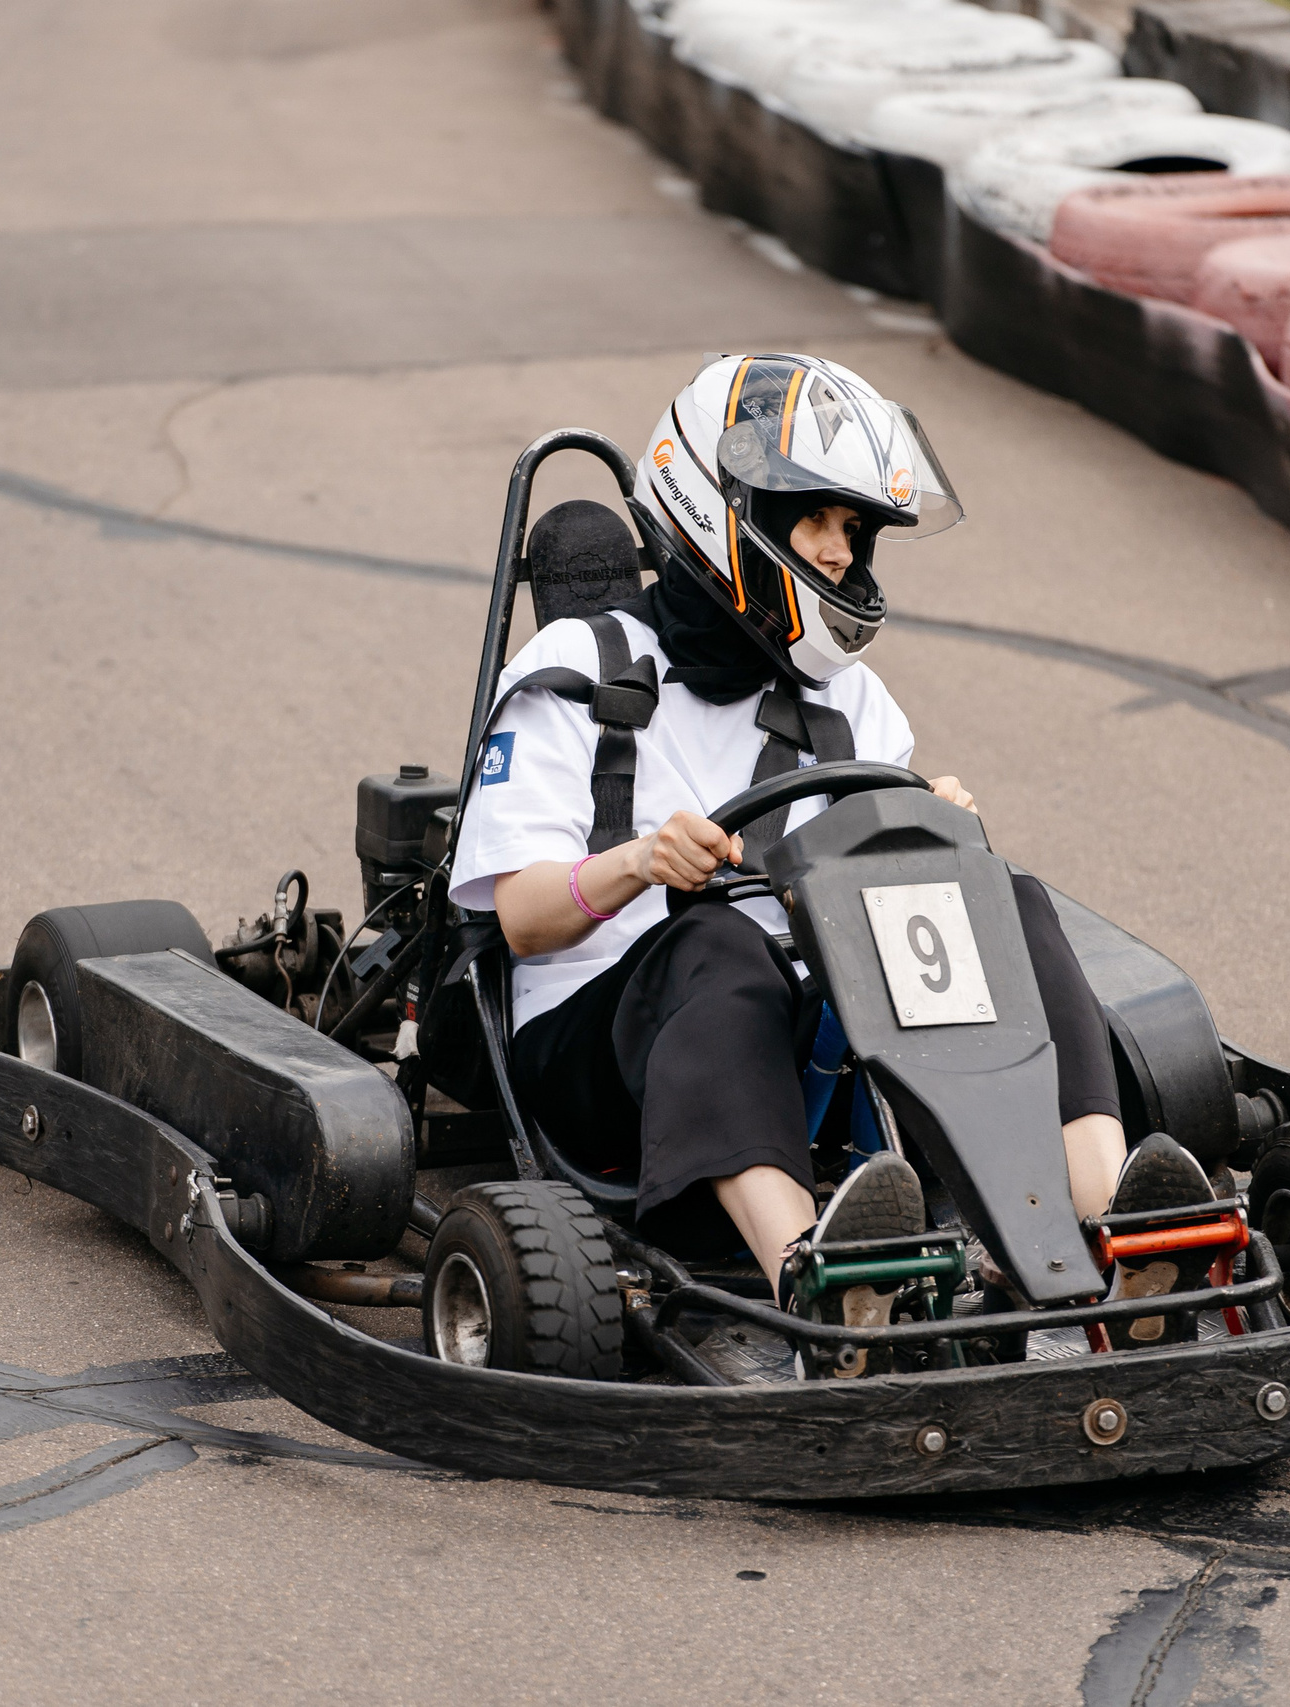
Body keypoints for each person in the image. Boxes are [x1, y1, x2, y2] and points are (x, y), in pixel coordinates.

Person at [449, 354, 1209, 1359]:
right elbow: (518, 919)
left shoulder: (847, 698)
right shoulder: (575, 674)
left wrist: (934, 835)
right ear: (721, 509)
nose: (841, 555)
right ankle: (812, 1275)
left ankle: (1115, 1232)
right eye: (816, 519)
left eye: (853, 530)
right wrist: (637, 864)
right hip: (589, 1056)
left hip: (794, 1030)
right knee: (712, 939)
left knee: (1004, 900)